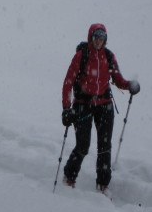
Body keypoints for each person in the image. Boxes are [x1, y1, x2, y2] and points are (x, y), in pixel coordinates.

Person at [60, 23, 140, 192]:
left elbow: (117, 79)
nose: (99, 41)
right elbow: (68, 83)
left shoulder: (109, 56)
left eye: (102, 38)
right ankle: (69, 177)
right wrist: (66, 108)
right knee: (83, 145)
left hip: (105, 105)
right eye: (96, 37)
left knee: (104, 147)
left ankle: (103, 184)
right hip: (83, 105)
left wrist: (129, 85)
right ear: (91, 37)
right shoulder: (81, 56)